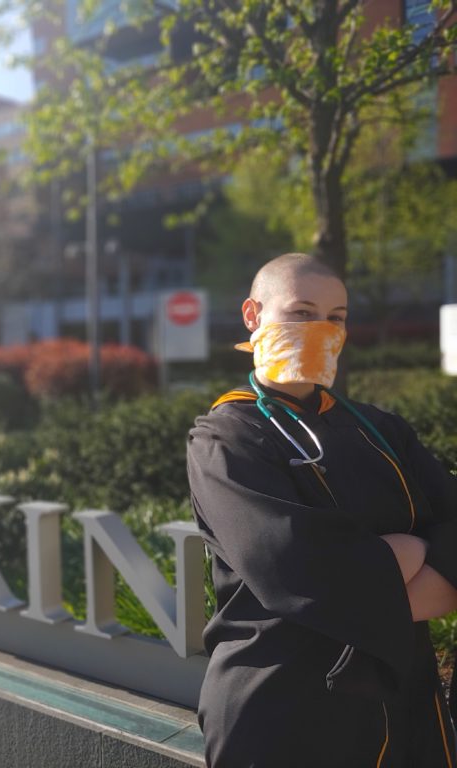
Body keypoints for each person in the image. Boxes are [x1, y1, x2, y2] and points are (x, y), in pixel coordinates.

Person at [187, 253, 457, 767]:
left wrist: (402, 556)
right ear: (253, 315)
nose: (321, 330)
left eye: (336, 318)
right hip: (285, 708)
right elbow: (297, 569)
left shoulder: (381, 430)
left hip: (403, 705)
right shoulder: (227, 438)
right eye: (301, 313)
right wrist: (420, 551)